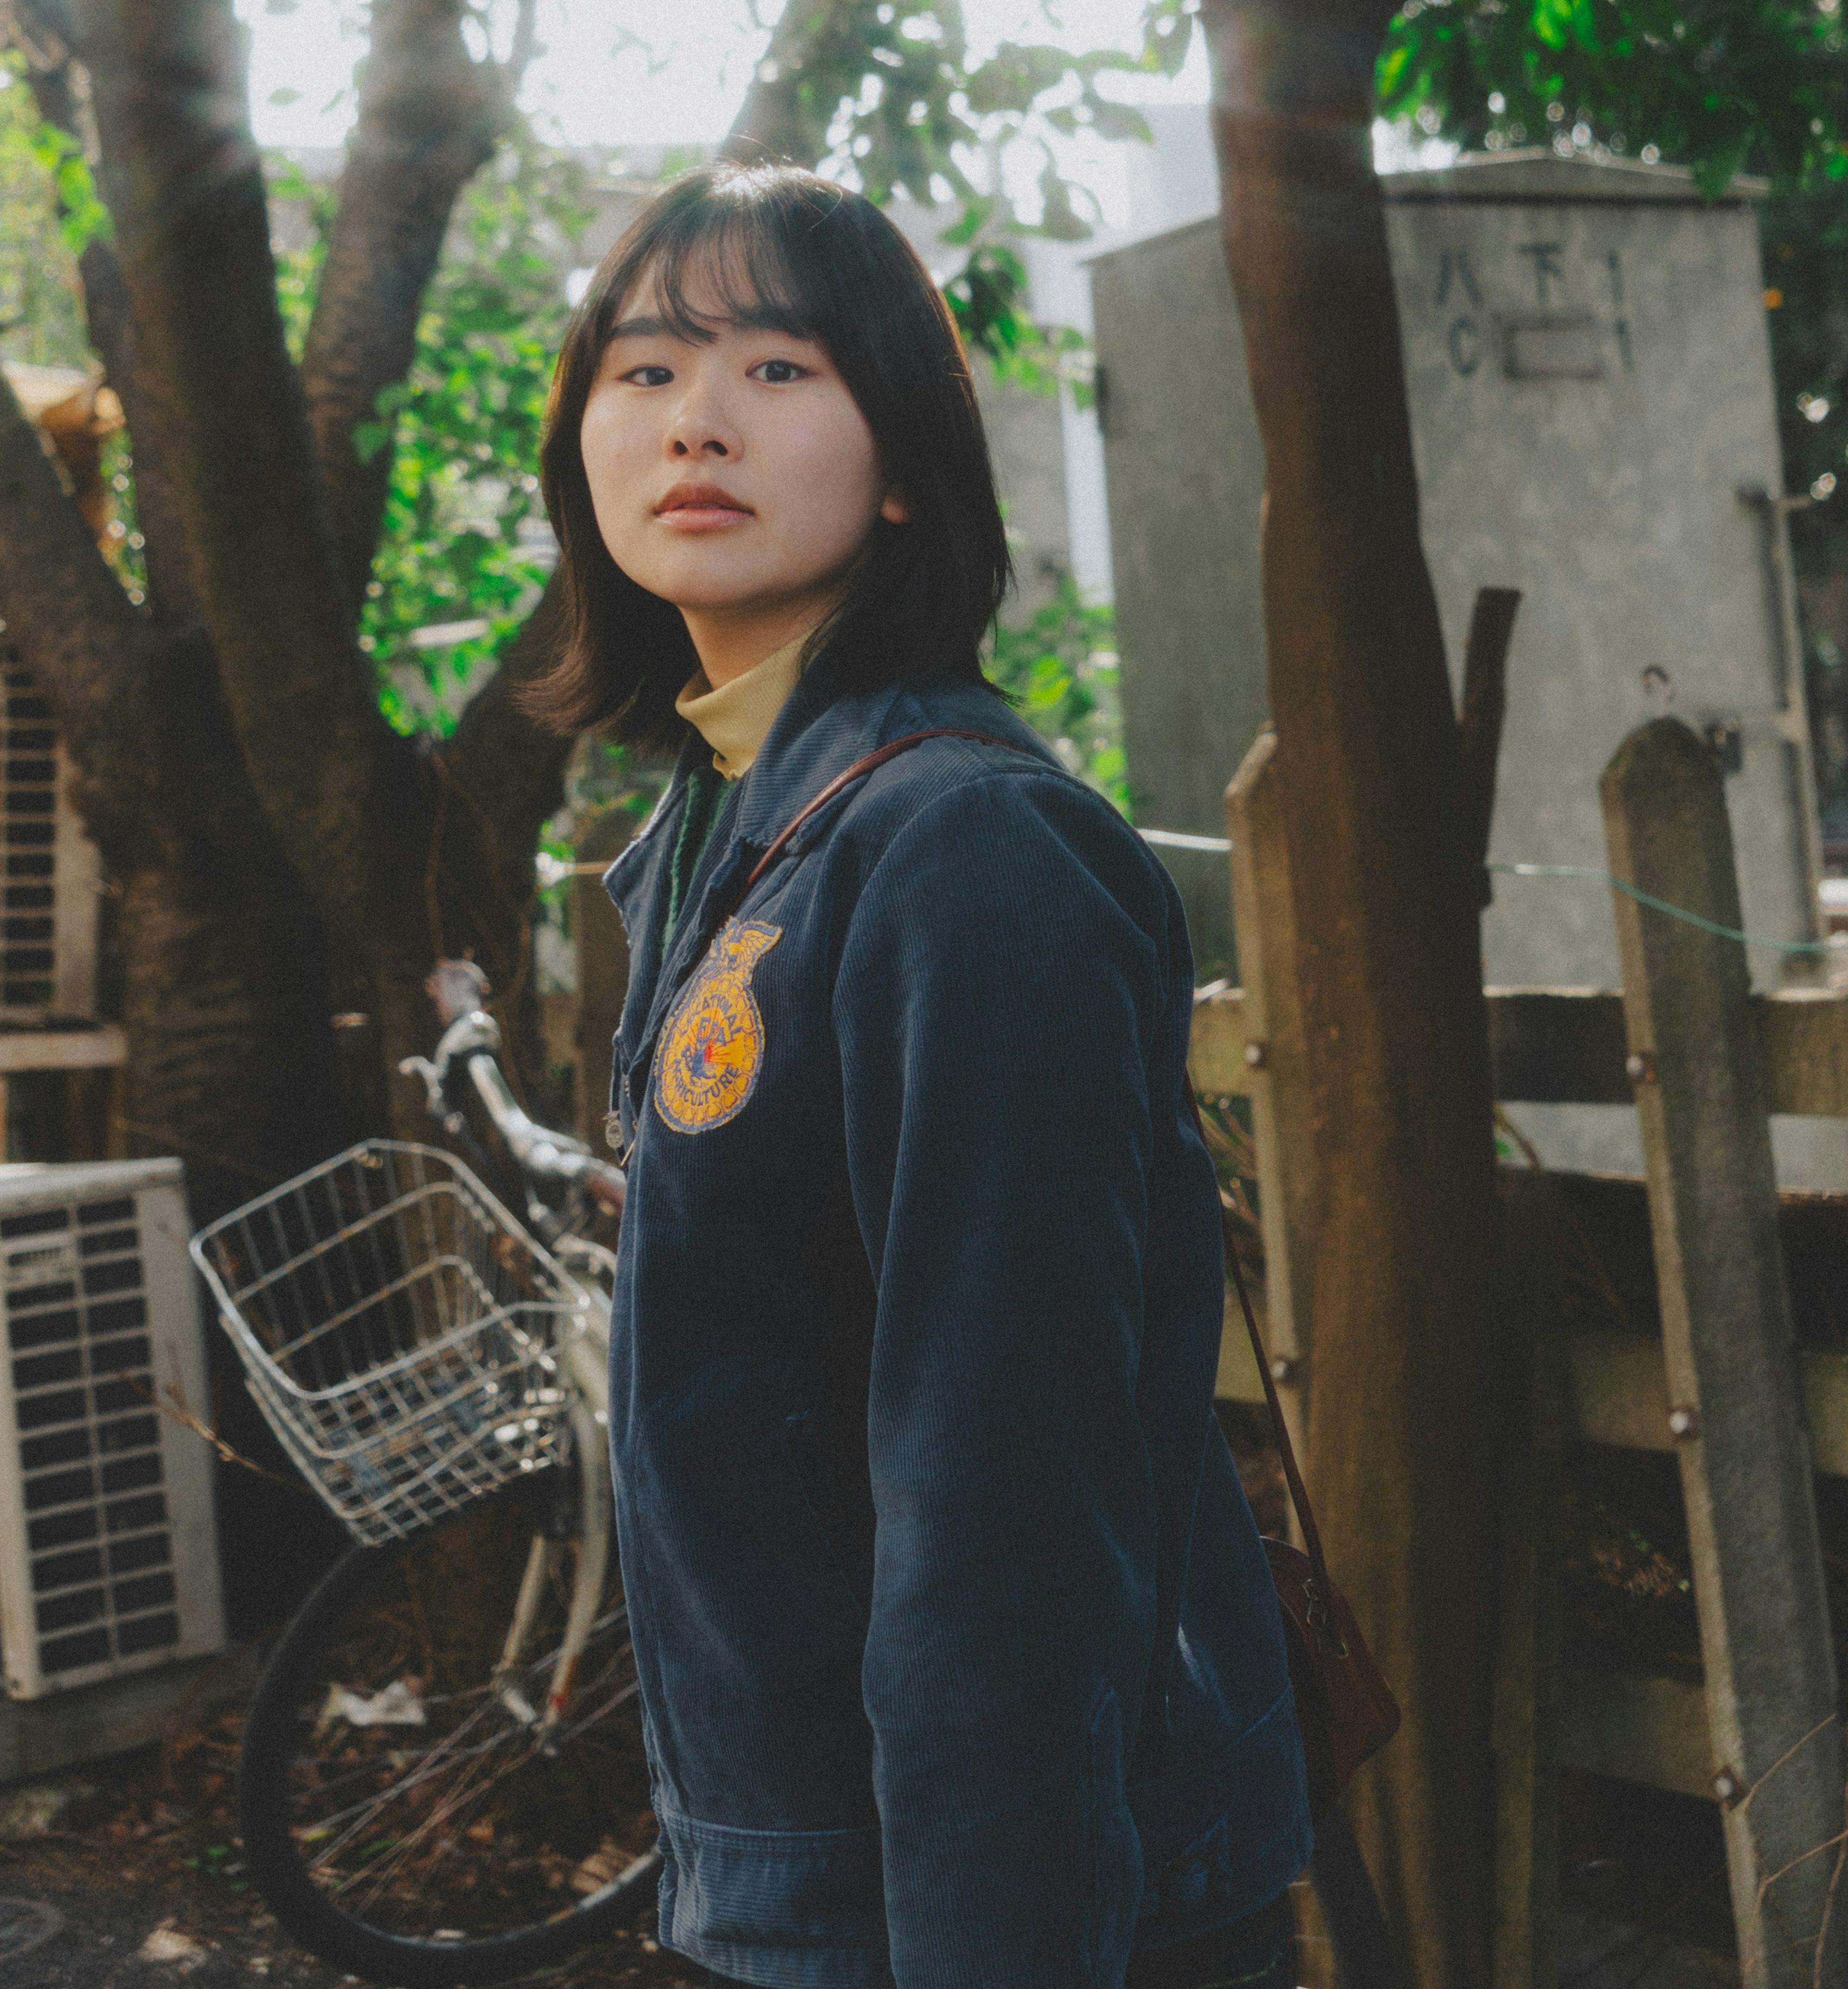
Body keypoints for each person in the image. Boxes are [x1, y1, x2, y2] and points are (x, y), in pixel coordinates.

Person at [522, 160, 1311, 1989]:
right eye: (641, 372)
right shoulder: (736, 832)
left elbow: (1005, 1504)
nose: (695, 419)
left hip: (979, 1905)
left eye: (778, 368)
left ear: (901, 469)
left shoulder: (965, 853)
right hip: (824, 1881)